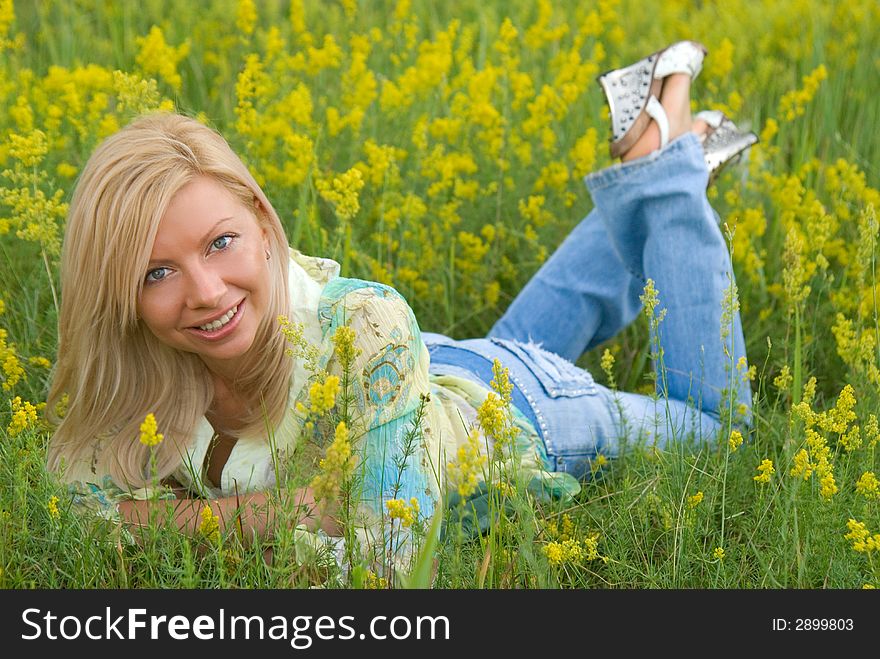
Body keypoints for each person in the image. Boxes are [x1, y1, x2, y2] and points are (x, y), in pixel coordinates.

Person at [46, 40, 755, 570]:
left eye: (220, 242)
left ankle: (667, 172)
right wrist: (294, 508)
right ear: (120, 294)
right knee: (501, 355)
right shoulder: (127, 372)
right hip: (420, 375)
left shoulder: (365, 321)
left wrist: (173, 521)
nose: (204, 292)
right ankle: (659, 163)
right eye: (157, 271)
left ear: (264, 224)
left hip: (523, 417)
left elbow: (389, 559)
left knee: (721, 436)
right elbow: (71, 517)